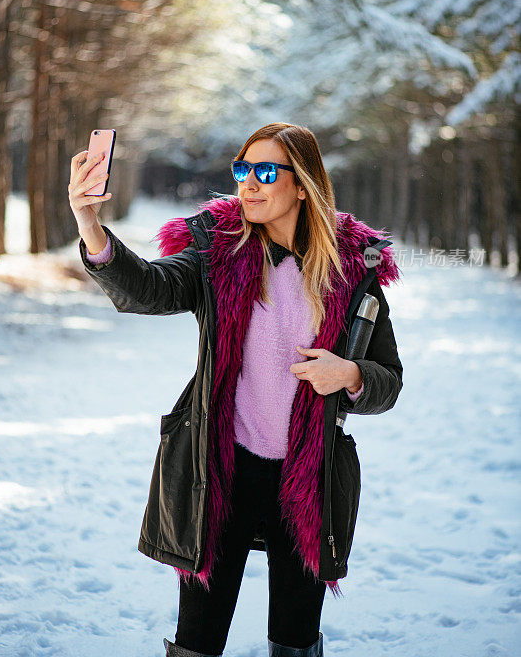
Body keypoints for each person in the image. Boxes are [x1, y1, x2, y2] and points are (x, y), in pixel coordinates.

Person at [68, 122, 403, 657]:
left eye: (265, 171)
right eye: (242, 169)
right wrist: (89, 222)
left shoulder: (352, 269)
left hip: (307, 475)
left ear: (302, 184)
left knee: (295, 637)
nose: (248, 183)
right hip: (220, 468)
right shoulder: (216, 253)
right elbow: (147, 290)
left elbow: (389, 378)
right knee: (198, 637)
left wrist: (351, 374)